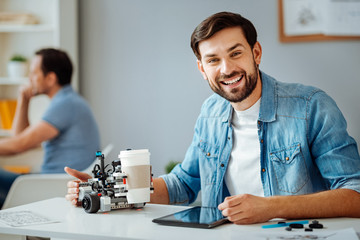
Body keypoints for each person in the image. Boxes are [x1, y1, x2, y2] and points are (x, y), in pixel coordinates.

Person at [65, 12, 360, 224]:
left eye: (236, 54)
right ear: (202, 69)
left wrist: (270, 208)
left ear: (256, 53)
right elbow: (183, 183)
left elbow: (355, 194)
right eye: (213, 60)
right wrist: (107, 189)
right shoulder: (211, 112)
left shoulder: (311, 106)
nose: (226, 69)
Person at [0, 48, 100, 208]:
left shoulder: (65, 104)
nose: (29, 78)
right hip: (50, 181)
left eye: (34, 73)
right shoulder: (69, 100)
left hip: (52, 185)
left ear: (51, 78)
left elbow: (19, 145)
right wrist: (24, 100)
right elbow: (19, 137)